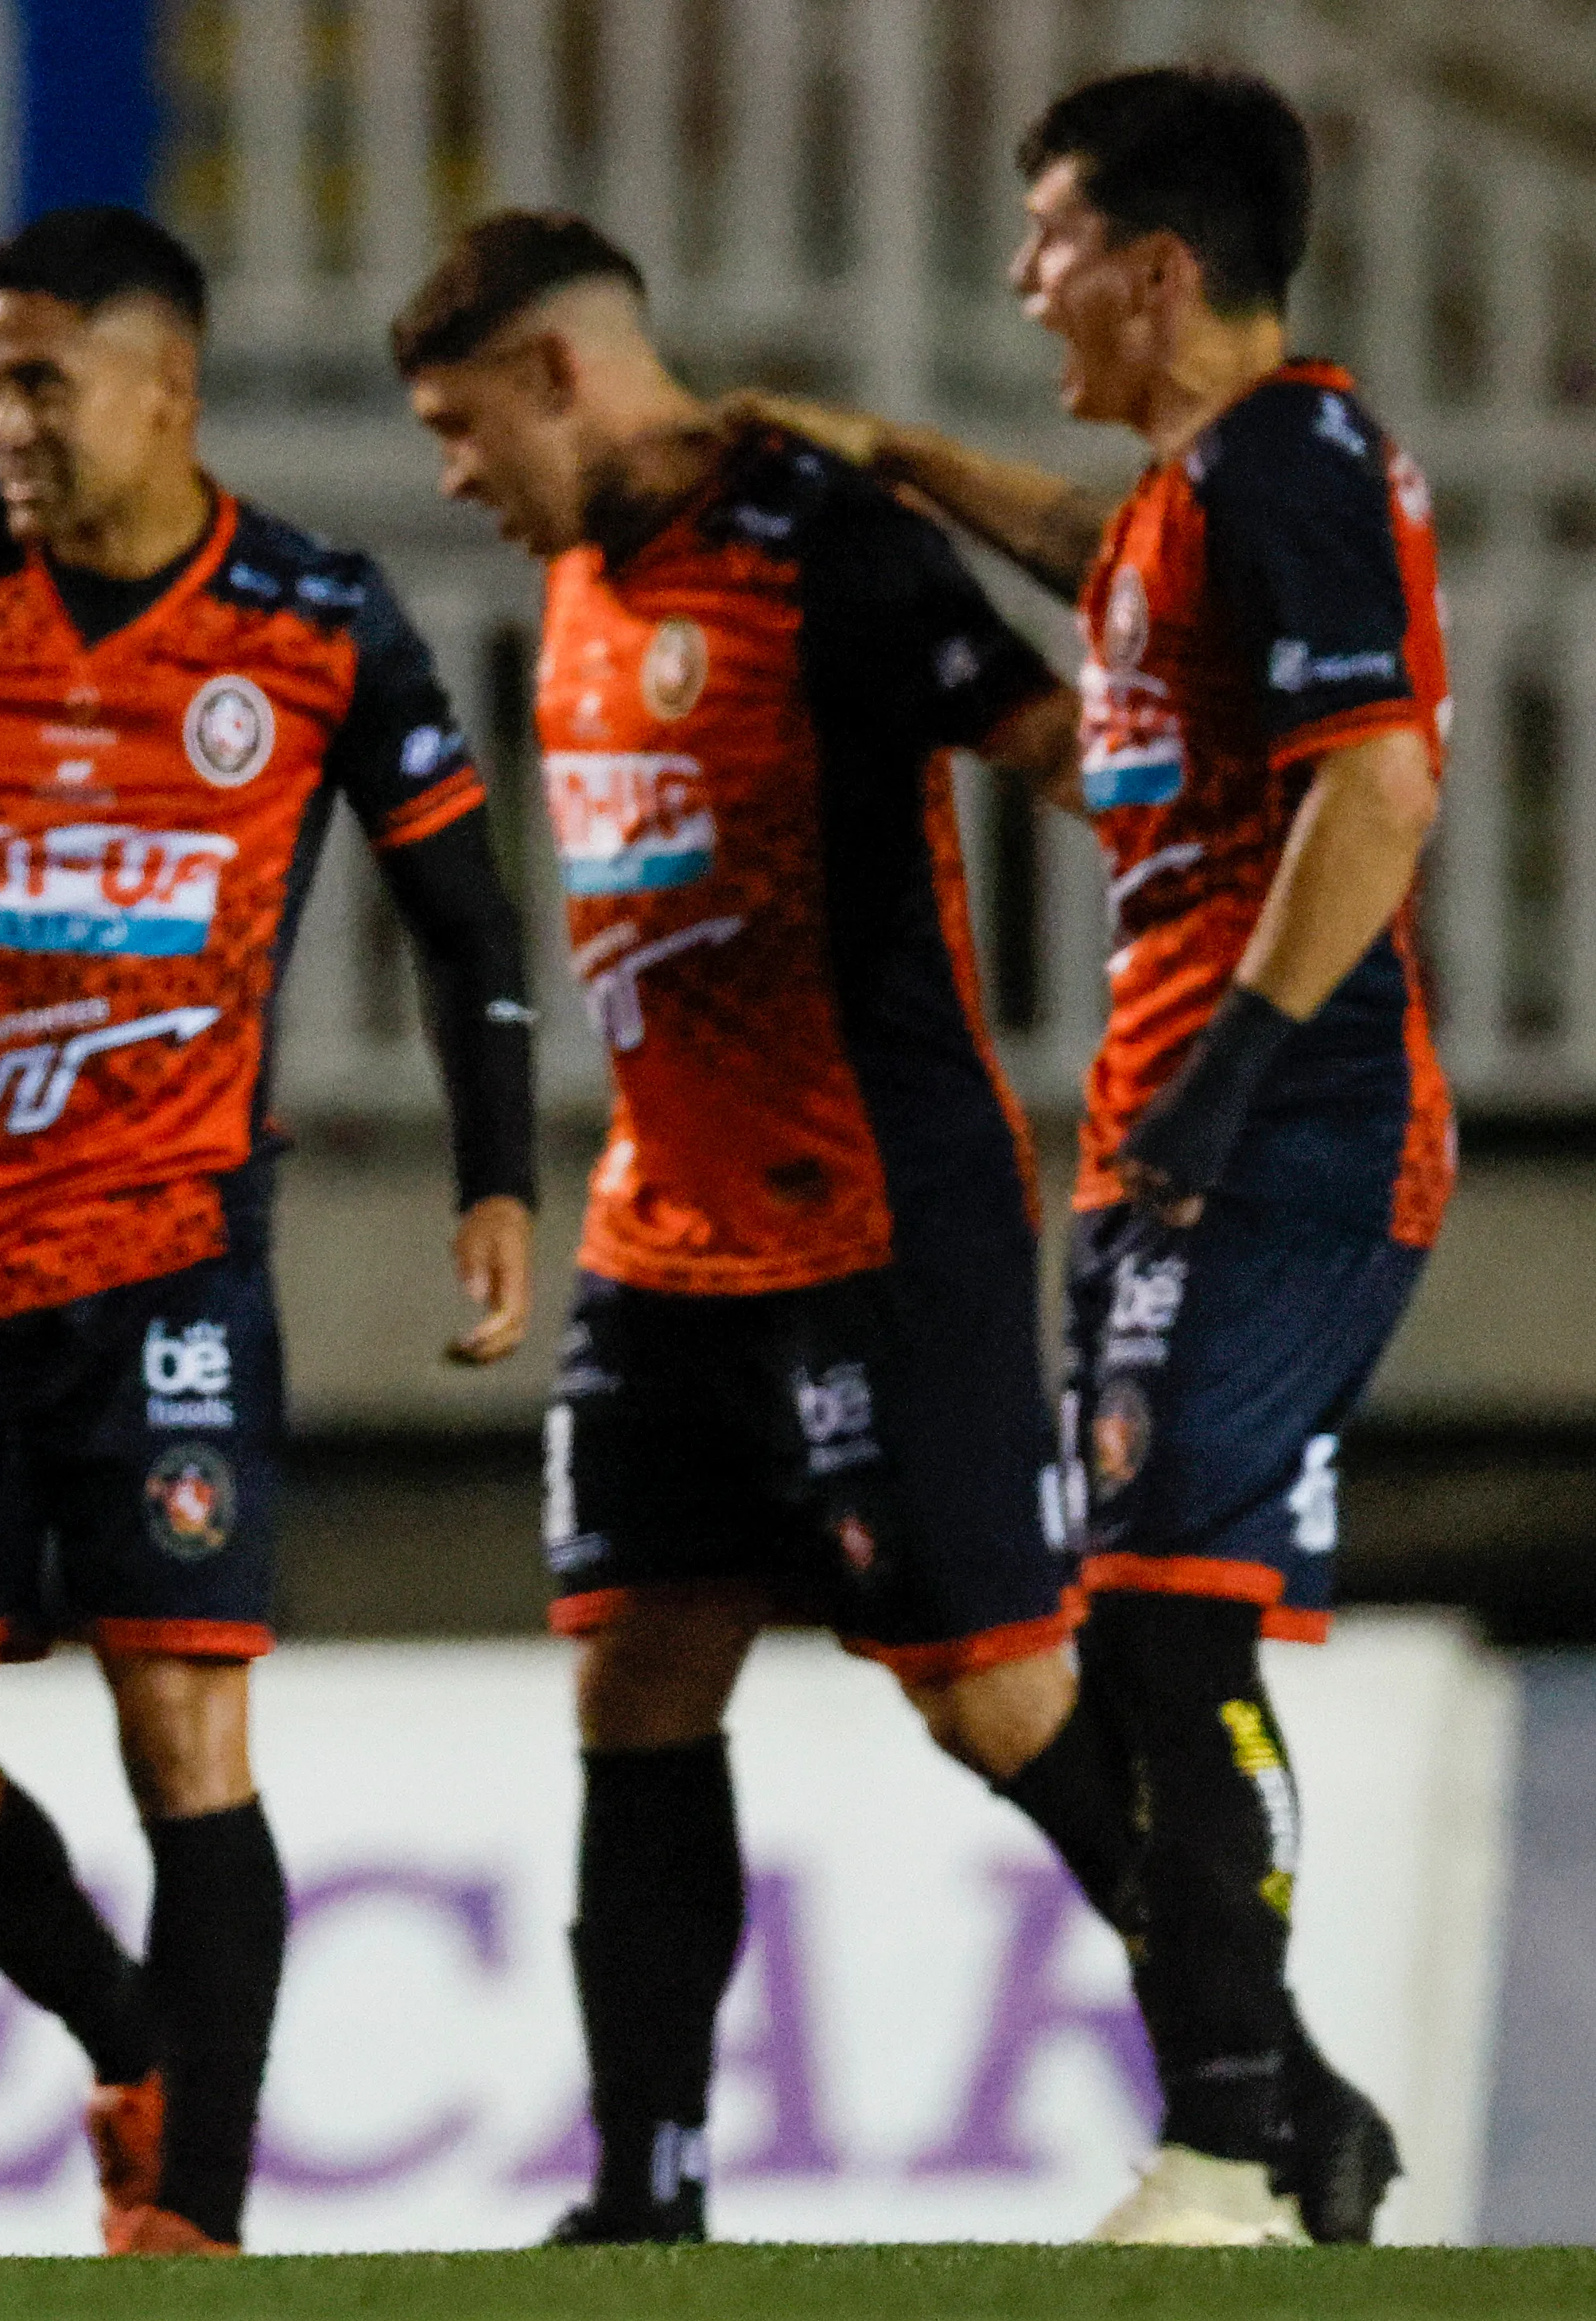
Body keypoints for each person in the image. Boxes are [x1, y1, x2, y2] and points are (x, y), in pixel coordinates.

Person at [0, 204, 541, 2256]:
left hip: (162, 1259)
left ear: (165, 387)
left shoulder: (311, 618)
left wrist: (494, 1172)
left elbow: (461, 918)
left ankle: (189, 2222)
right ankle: (130, 2032)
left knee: (181, 1727)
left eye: (40, 379)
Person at [722, 65, 1443, 2246]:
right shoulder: (1179, 499)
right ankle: (1276, 2124)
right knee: (1144, 1628)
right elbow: (1089, 560)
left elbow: (1383, 784)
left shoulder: (1296, 454)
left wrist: (1231, 1074)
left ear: (1152, 266)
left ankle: (1233, 2143)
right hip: (1172, 1137)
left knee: (1162, 1619)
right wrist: (898, 455)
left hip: (1275, 1124)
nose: (1020, 279)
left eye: (1044, 241)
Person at [393, 209, 1144, 2245]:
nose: (448, 475)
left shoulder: (823, 542)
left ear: (559, 373)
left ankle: (1264, 2087)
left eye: (463, 426)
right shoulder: (567, 572)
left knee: (987, 1691)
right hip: (662, 1238)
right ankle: (645, 2193)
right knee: (634, 1680)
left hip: (867, 1215)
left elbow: (1061, 750)